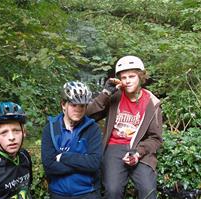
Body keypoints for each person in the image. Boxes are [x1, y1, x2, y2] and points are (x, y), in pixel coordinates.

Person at [86, 55, 163, 199]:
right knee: (112, 190)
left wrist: (139, 153)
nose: (127, 81)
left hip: (140, 148)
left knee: (148, 191)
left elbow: (155, 138)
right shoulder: (114, 97)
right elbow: (89, 115)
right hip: (114, 147)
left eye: (132, 76)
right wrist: (105, 93)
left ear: (141, 77)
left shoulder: (152, 103)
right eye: (124, 77)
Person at [41, 81, 103, 199]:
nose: (78, 109)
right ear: (64, 104)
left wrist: (64, 157)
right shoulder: (50, 129)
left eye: (82, 106)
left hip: (88, 192)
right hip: (58, 193)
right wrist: (82, 164)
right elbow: (49, 166)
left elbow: (94, 163)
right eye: (73, 105)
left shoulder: (92, 128)